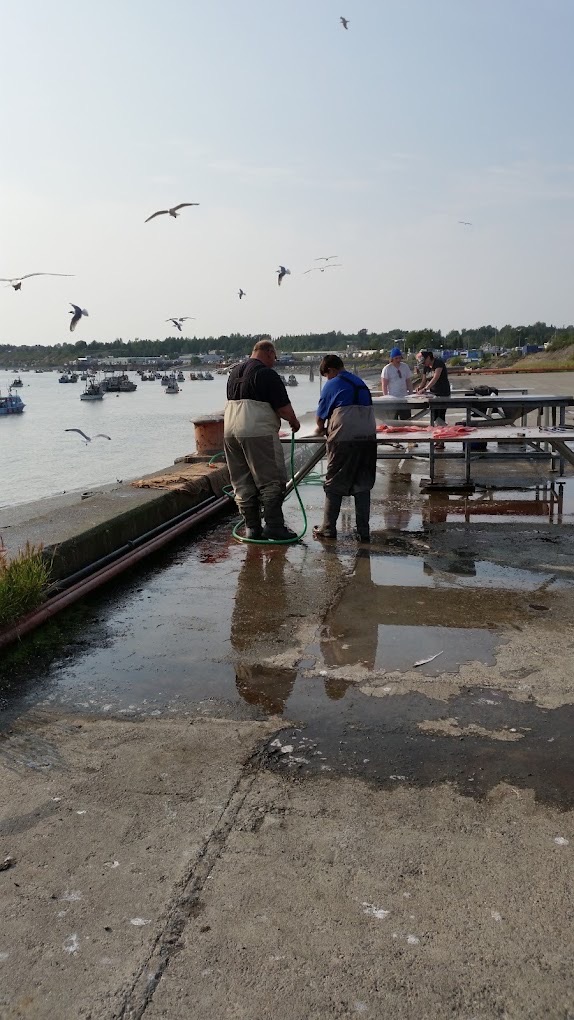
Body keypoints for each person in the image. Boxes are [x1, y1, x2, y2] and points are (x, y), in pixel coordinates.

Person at [224, 338, 300, 541]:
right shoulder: (266, 374)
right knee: (271, 480)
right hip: (257, 431)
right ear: (268, 352)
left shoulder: (233, 373)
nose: (274, 361)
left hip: (230, 431)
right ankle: (274, 526)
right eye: (274, 357)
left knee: (242, 482)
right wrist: (294, 421)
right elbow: (283, 408)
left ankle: (252, 528)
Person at [313, 354, 377, 543]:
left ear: (331, 370)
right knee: (362, 483)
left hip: (344, 439)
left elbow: (319, 419)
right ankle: (363, 531)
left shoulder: (332, 384)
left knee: (334, 482)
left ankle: (328, 528)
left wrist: (321, 430)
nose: (327, 379)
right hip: (368, 438)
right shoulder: (360, 383)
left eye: (326, 375)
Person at [415, 349, 451, 447]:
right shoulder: (426, 368)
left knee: (440, 415)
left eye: (424, 361)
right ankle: (439, 438)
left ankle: (442, 439)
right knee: (434, 417)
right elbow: (424, 380)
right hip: (433, 394)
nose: (424, 364)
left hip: (443, 393)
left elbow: (436, 377)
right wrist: (420, 388)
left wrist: (426, 389)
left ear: (429, 357)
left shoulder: (438, 363)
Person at [381, 346, 414, 449]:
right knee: (393, 421)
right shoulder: (387, 369)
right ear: (392, 359)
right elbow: (384, 384)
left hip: (404, 397)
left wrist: (411, 394)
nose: (398, 360)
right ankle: (395, 441)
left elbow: (408, 381)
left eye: (400, 358)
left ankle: (410, 440)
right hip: (392, 398)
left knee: (407, 421)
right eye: (396, 358)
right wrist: (386, 397)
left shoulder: (405, 367)